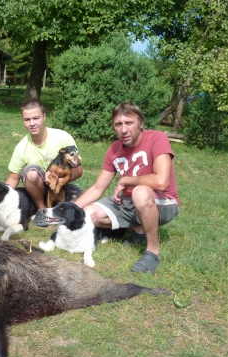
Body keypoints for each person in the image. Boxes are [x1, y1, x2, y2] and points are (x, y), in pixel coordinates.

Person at [74, 102, 180, 273]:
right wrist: (69, 210)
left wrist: (127, 180)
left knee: (140, 192)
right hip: (129, 203)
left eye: (129, 123)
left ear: (141, 123)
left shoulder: (157, 138)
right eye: (118, 124)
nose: (123, 130)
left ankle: (152, 252)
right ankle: (139, 230)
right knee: (87, 214)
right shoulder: (114, 149)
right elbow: (97, 188)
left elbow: (161, 182)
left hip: (163, 202)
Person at [5, 99, 83, 226]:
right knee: (31, 172)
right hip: (38, 187)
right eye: (27, 119)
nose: (32, 123)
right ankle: (41, 209)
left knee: (82, 207)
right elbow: (13, 178)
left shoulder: (63, 137)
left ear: (44, 117)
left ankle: (51, 207)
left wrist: (58, 181)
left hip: (62, 185)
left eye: (36, 118)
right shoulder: (21, 147)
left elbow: (79, 170)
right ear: (23, 120)